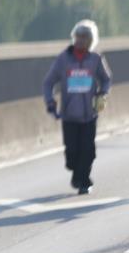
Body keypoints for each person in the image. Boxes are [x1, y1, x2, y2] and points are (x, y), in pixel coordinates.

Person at [42, 19, 112, 195]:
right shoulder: (63, 59)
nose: (80, 40)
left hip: (89, 114)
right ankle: (76, 173)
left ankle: (83, 181)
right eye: (77, 36)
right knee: (72, 153)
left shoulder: (95, 59)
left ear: (90, 40)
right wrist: (50, 101)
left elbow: (106, 79)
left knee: (88, 150)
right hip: (69, 115)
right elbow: (48, 82)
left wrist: (102, 93)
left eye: (84, 37)